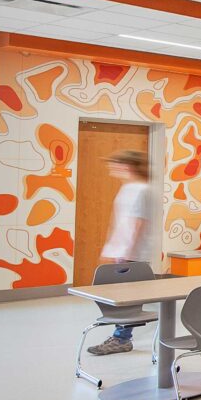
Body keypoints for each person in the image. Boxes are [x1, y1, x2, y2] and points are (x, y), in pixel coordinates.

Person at [87, 149, 155, 357]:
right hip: (124, 251)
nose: (111, 169)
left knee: (128, 298)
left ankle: (121, 338)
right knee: (125, 298)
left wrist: (127, 253)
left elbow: (137, 223)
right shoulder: (129, 188)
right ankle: (121, 336)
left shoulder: (141, 189)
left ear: (127, 166)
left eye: (115, 165)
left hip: (132, 254)